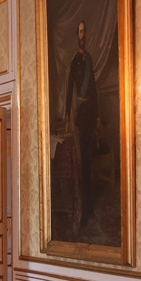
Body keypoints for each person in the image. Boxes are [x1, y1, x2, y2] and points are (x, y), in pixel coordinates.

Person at [59, 20, 98, 228]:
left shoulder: (89, 59)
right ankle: (84, 208)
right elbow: (69, 90)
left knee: (89, 161)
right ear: (77, 35)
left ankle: (89, 207)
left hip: (91, 115)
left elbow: (94, 90)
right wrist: (67, 115)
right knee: (82, 162)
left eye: (84, 31)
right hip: (81, 116)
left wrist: (97, 115)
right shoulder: (75, 61)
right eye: (80, 31)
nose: (82, 35)